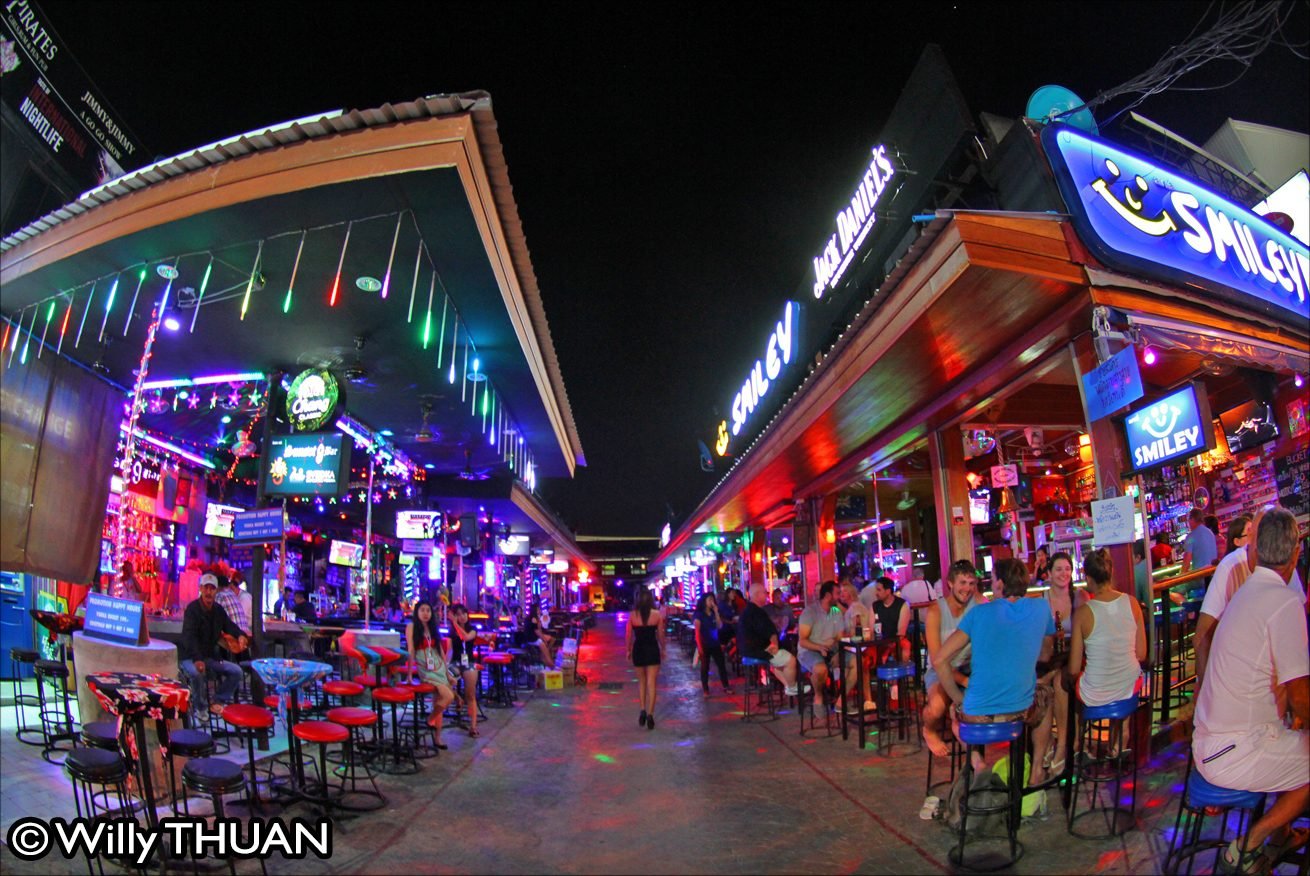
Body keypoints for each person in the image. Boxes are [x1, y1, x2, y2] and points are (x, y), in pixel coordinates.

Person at [1192, 507, 1308, 874]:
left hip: (1214, 742)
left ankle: (1279, 837)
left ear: (1255, 550)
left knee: (1293, 738)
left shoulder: (1247, 590)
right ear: (1296, 552)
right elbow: (1301, 697)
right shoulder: (1283, 600)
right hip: (1232, 751)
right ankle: (1244, 848)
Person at [934, 558, 1056, 788]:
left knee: (954, 711)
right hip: (1020, 713)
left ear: (999, 582)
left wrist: (959, 699)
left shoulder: (978, 614)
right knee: (1046, 695)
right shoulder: (1041, 607)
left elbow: (940, 659)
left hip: (976, 717)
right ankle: (1038, 769)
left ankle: (978, 763)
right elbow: (1046, 654)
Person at [1195, 509, 1304, 690]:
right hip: (1240, 688)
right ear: (1252, 534)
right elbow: (1201, 636)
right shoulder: (1230, 567)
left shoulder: (1278, 562)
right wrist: (1206, 691)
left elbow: (1300, 618)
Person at [1067, 549, 1146, 713]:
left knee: (1065, 680)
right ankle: (1123, 732)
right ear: (1111, 572)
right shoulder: (1132, 603)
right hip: (1129, 685)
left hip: (1094, 693)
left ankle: (1075, 737)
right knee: (1130, 678)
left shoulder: (1082, 613)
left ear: (1088, 579)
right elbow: (1141, 653)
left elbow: (1074, 669)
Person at [923, 560, 984, 758]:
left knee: (969, 708)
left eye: (971, 583)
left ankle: (975, 759)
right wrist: (965, 682)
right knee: (937, 707)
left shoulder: (980, 604)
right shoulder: (935, 611)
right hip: (941, 671)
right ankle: (929, 730)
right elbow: (936, 660)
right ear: (950, 583)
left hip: (971, 669)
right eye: (962, 583)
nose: (967, 589)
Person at [178, 573, 247, 722]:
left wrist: (240, 635)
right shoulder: (192, 609)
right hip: (189, 657)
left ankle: (217, 701)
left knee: (236, 671)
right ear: (201, 589)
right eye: (206, 588)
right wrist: (197, 659)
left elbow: (229, 625)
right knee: (197, 673)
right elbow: (189, 637)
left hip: (208, 657)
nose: (209, 592)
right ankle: (200, 708)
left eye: (212, 589)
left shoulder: (218, 610)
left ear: (216, 591)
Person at [406, 601, 457, 749]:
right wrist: (409, 675)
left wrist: (447, 673)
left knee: (440, 700)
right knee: (449, 697)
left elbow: (440, 651)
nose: (425, 613)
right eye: (422, 610)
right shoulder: (411, 627)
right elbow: (411, 651)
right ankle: (430, 719)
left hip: (438, 666)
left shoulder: (433, 629)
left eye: (428, 610)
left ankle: (438, 738)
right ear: (417, 612)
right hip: (425, 668)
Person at [738, 583, 802, 696]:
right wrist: (774, 646)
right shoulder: (757, 612)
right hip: (758, 651)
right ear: (757, 595)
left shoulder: (747, 611)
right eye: (764, 593)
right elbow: (770, 632)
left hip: (747, 651)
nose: (767, 595)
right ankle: (792, 687)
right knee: (791, 660)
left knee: (778, 663)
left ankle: (788, 686)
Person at [796, 582, 845, 709]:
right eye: (837, 594)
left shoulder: (836, 612)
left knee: (858, 663)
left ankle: (841, 699)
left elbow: (840, 638)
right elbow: (802, 641)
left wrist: (838, 653)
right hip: (810, 649)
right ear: (828, 596)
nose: (840, 596)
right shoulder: (810, 612)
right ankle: (818, 695)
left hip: (831, 650)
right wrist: (819, 648)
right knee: (820, 669)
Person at [626, 587, 665, 729]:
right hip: (652, 649)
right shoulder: (657, 615)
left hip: (639, 649)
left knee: (641, 682)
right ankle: (650, 714)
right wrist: (664, 648)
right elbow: (661, 634)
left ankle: (642, 709)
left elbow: (629, 635)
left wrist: (628, 650)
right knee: (651, 683)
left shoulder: (633, 615)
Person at [447, 603, 482, 736]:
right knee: (444, 682)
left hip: (469, 663)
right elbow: (450, 650)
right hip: (456, 662)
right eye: (458, 615)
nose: (462, 617)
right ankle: (457, 698)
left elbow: (466, 637)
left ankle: (473, 727)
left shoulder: (472, 629)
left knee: (470, 695)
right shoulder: (451, 632)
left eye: (463, 614)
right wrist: (445, 664)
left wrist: (455, 624)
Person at [692, 593, 730, 695]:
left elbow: (719, 626)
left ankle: (726, 686)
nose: (711, 602)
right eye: (709, 600)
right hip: (704, 643)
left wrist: (717, 612)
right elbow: (697, 632)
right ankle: (705, 689)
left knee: (721, 664)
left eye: (712, 600)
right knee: (705, 667)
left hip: (715, 643)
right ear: (704, 601)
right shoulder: (699, 615)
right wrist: (699, 646)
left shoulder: (713, 613)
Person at [869, 576, 912, 664]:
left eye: (879, 590)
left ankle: (902, 674)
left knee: (905, 645)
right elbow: (871, 629)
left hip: (897, 639)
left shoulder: (902, 605)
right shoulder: (875, 606)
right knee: (865, 658)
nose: (876, 593)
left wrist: (889, 647)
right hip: (880, 641)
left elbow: (901, 633)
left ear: (888, 591)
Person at [1181, 507, 1219, 575]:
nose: (1188, 523)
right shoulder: (1210, 533)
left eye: (1188, 520)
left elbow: (1187, 560)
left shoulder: (1191, 537)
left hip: (1200, 577)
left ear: (1192, 519)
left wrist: (1181, 575)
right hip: (1213, 575)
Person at [526, 599, 556, 667]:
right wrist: (544, 639)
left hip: (535, 635)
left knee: (552, 639)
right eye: (538, 609)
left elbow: (539, 630)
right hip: (532, 638)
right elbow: (537, 632)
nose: (540, 610)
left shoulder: (536, 618)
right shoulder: (533, 619)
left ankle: (543, 654)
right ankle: (549, 661)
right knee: (542, 643)